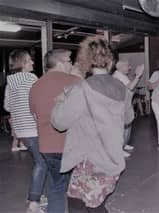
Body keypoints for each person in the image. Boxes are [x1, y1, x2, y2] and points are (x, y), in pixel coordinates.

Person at [51, 36, 131, 213]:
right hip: (113, 158)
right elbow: (128, 119)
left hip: (90, 162)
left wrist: (60, 102)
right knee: (89, 203)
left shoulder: (81, 89)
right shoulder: (122, 89)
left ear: (86, 62)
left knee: (80, 206)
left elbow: (59, 123)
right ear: (110, 61)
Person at [29, 49, 81, 213]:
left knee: (56, 188)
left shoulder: (35, 85)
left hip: (47, 147)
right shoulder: (75, 81)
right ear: (60, 63)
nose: (71, 64)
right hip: (72, 145)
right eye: (69, 61)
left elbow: (35, 116)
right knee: (79, 188)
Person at [4, 49, 47, 213]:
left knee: (39, 162)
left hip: (21, 131)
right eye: (29, 60)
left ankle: (34, 195)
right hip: (33, 128)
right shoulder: (31, 78)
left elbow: (7, 106)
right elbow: (40, 99)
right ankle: (34, 203)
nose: (32, 63)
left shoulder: (10, 82)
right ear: (22, 63)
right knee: (42, 164)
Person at [113, 60, 144, 156]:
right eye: (128, 66)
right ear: (121, 67)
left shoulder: (121, 75)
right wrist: (138, 75)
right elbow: (130, 87)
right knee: (122, 128)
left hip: (125, 104)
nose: (130, 68)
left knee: (127, 126)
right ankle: (119, 149)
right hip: (120, 106)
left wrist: (136, 76)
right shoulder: (118, 76)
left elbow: (131, 85)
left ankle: (124, 144)